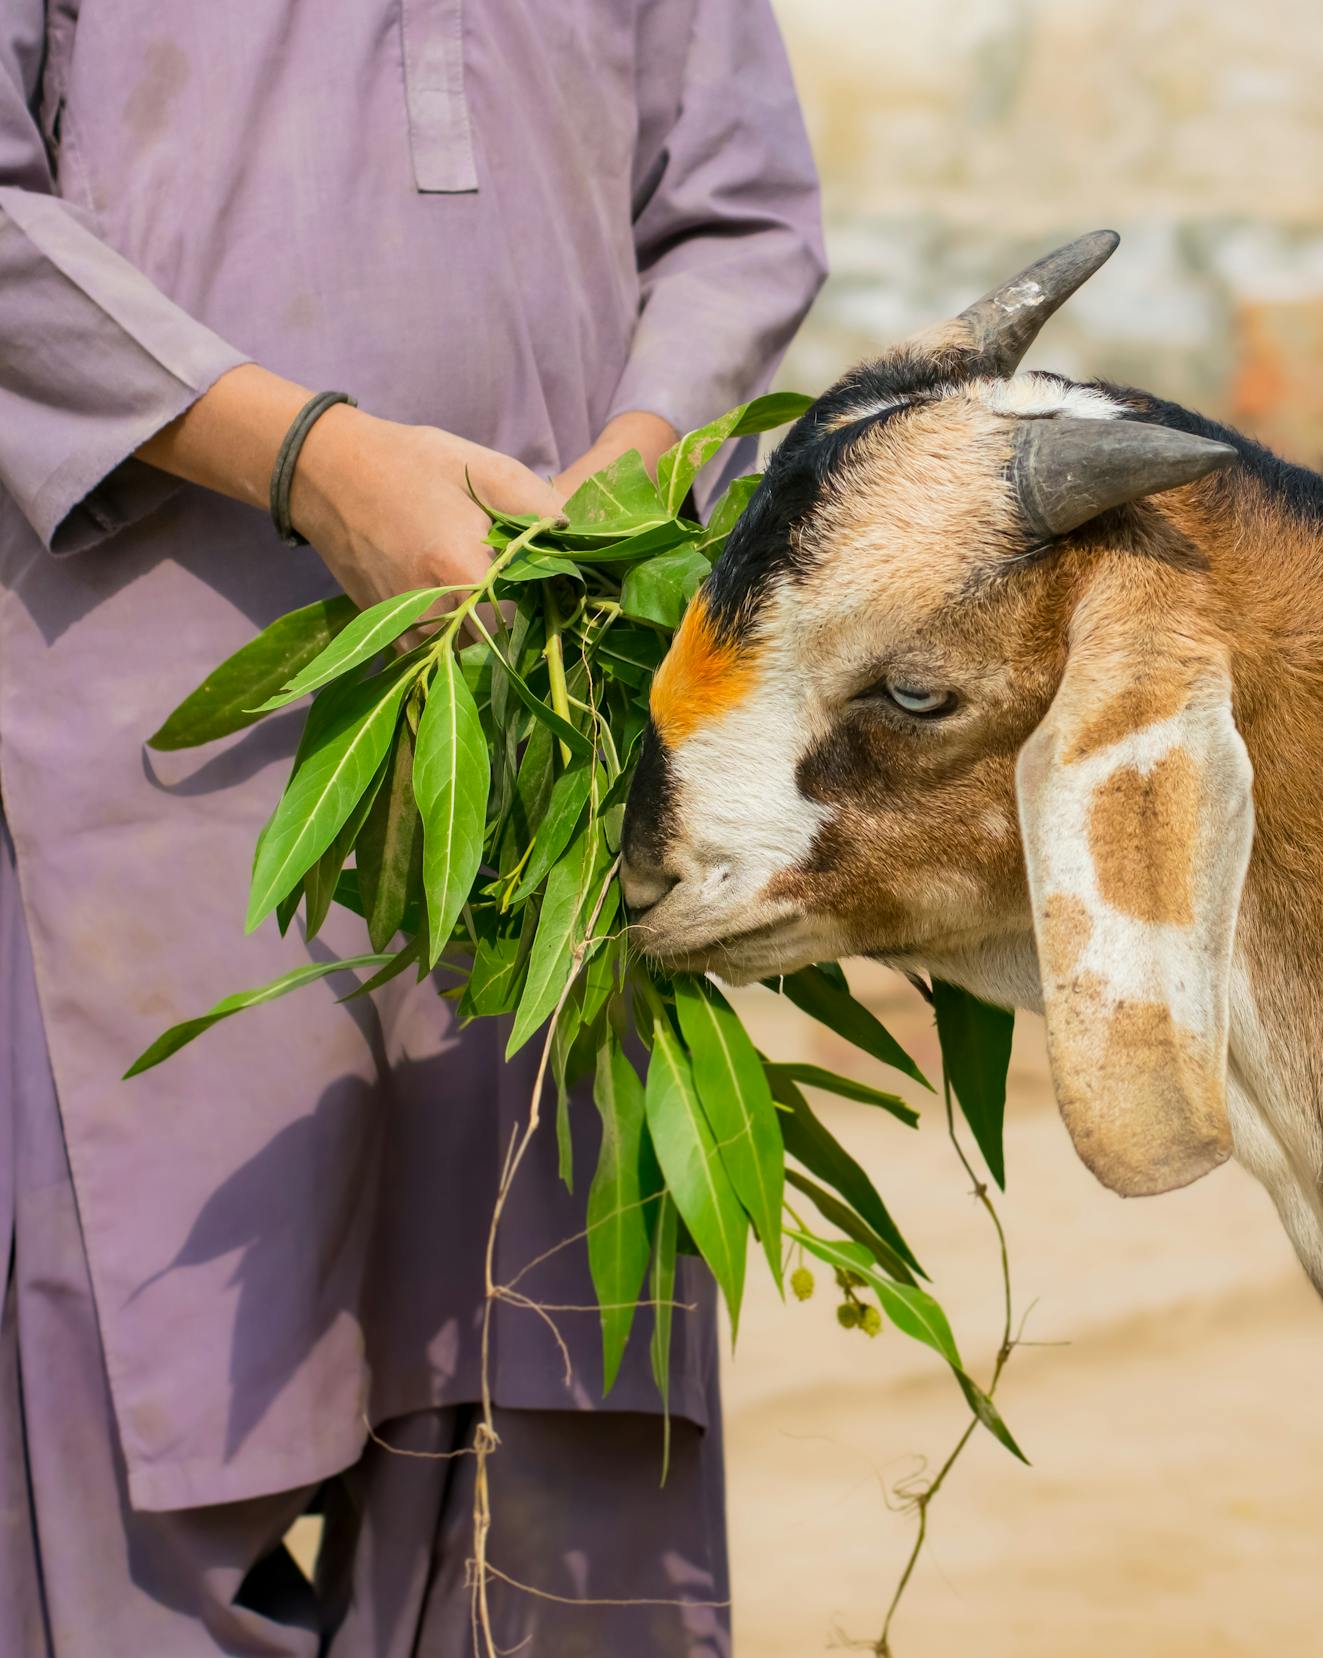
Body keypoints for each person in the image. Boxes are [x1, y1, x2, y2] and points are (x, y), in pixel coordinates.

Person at [0, 4, 824, 1652]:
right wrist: (313, 461)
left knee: (553, 1404)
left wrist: (633, 466)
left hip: (551, 745)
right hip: (167, 741)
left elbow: (740, 215)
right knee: (151, 1425)